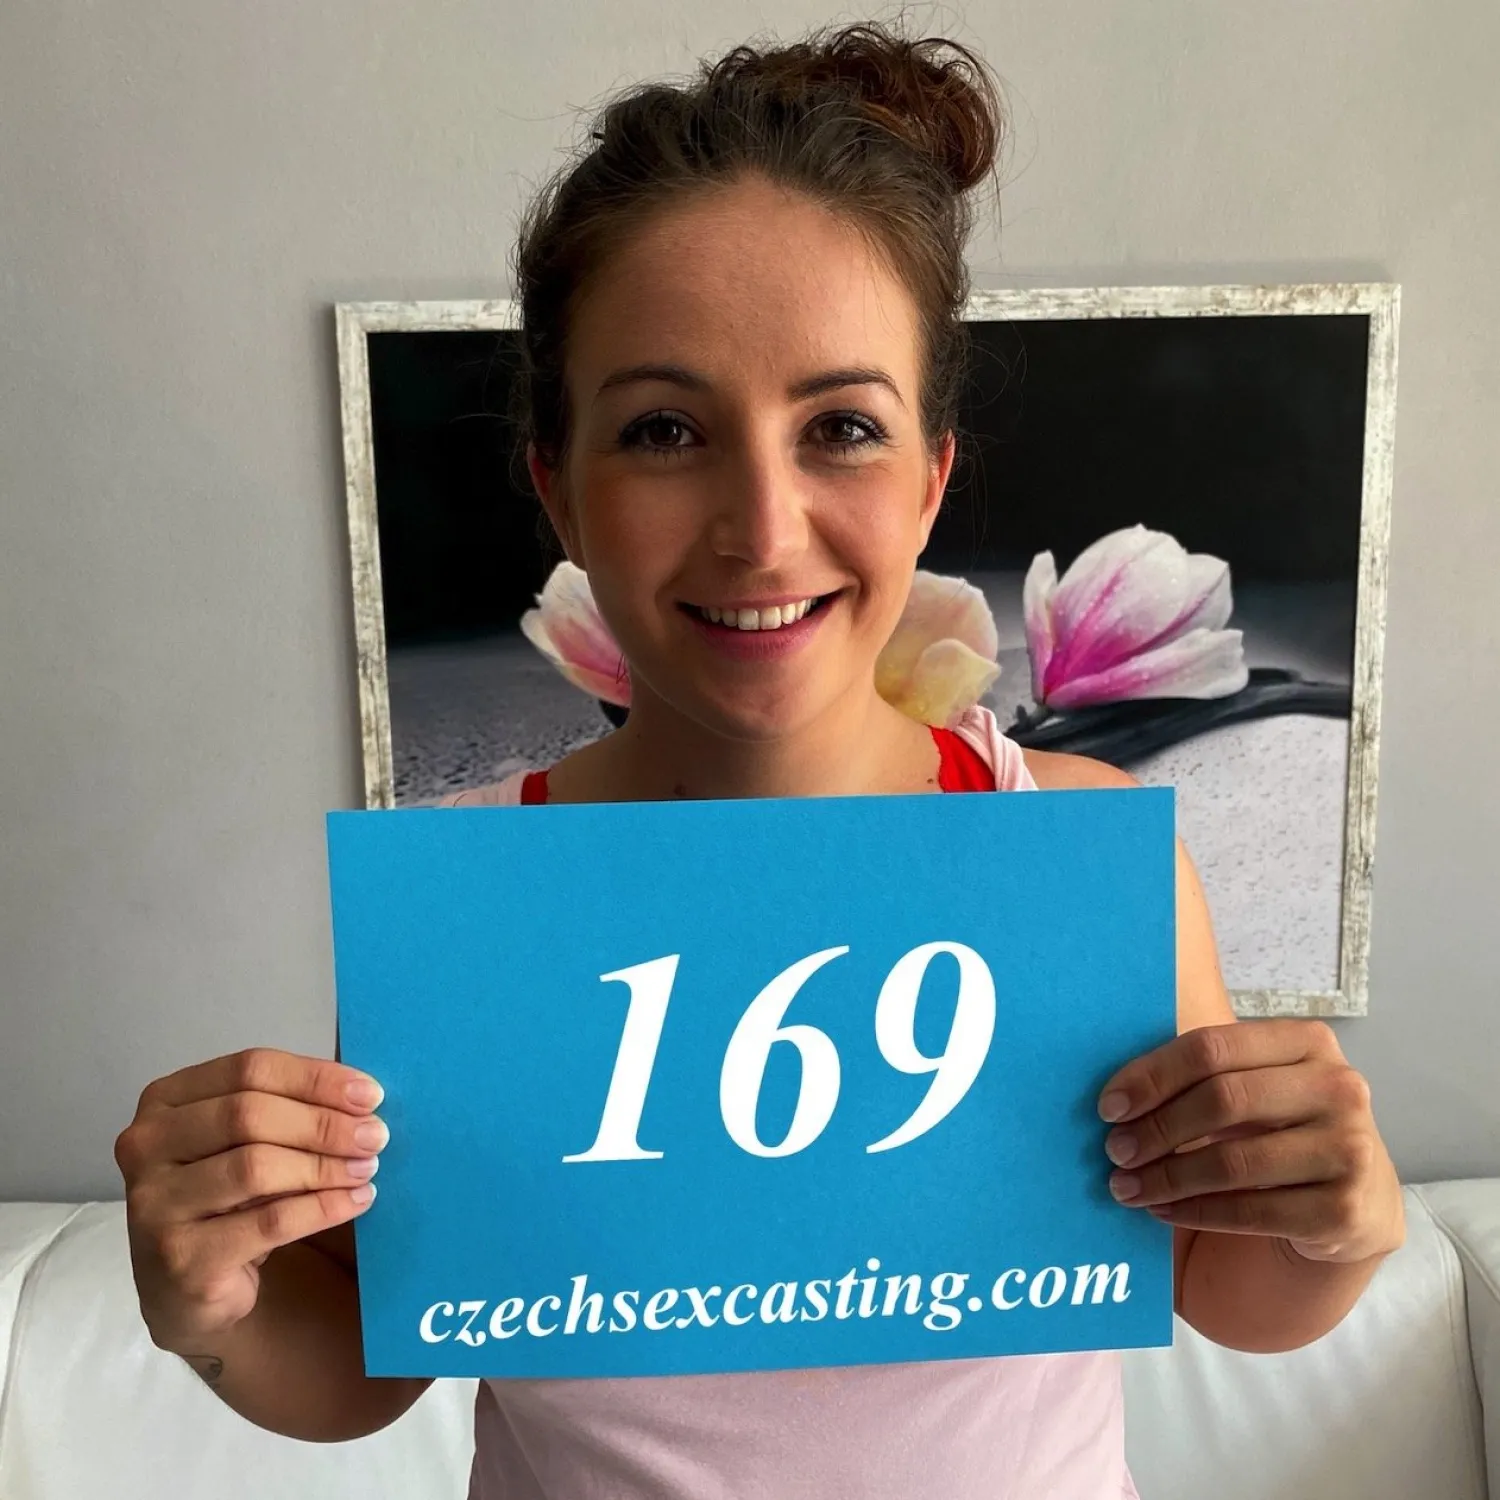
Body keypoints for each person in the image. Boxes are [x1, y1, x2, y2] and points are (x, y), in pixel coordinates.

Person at [114, 22, 1405, 1499]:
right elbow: (368, 1358)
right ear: (558, 488)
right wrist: (208, 1305)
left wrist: (1340, 1224)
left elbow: (1223, 1284)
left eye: (841, 427)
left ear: (930, 479)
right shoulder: (470, 896)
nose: (763, 530)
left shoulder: (1081, 849)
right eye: (665, 429)